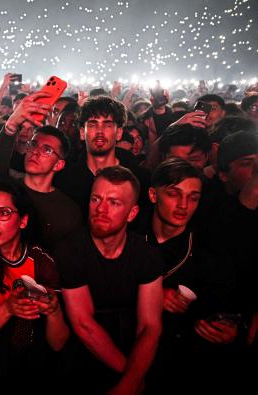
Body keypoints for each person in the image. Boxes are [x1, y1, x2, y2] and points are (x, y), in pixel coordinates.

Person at [55, 166, 164, 394]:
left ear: (132, 213)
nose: (101, 209)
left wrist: (131, 379)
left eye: (114, 203)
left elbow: (150, 326)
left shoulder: (146, 254)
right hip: (84, 353)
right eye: (96, 199)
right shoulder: (70, 249)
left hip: (133, 348)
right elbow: (83, 323)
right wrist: (131, 379)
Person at [0, 182, 69, 394]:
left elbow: (58, 343)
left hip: (39, 369)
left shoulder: (41, 259)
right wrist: (8, 309)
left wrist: (54, 312)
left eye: (4, 213)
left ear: (23, 221)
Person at [140, 158, 240, 393]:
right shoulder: (129, 234)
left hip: (180, 363)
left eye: (193, 197)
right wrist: (153, 295)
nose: (183, 205)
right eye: (174, 194)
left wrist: (230, 329)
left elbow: (226, 303)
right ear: (153, 195)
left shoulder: (208, 250)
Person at [0, 95, 82, 249]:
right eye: (33, 144)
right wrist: (11, 125)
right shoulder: (9, 191)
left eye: (47, 150)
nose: (36, 152)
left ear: (58, 164)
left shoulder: (68, 211)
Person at [54, 96, 151, 221]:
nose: (100, 131)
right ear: (82, 133)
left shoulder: (139, 179)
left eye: (107, 125)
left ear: (119, 133)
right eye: (93, 125)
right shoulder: (63, 180)